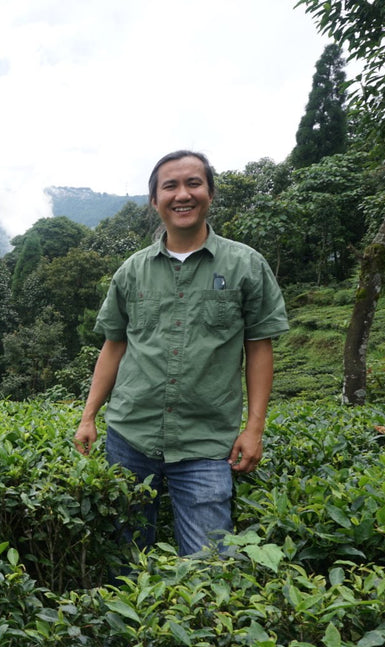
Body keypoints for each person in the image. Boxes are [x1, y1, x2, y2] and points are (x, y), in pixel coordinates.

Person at [72, 150, 289, 556]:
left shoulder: (246, 265)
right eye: (169, 186)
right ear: (154, 201)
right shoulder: (132, 271)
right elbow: (114, 346)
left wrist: (254, 428)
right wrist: (88, 417)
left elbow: (259, 347)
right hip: (130, 435)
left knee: (210, 566)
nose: (182, 194)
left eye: (194, 183)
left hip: (206, 443)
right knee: (126, 560)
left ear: (210, 193)